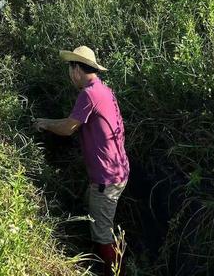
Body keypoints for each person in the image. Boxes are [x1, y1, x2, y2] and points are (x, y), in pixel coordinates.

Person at [33, 46, 130, 276]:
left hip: (106, 177)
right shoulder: (103, 90)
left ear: (77, 69)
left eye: (70, 68)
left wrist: (44, 123)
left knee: (102, 232)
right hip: (118, 170)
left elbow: (68, 128)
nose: (69, 74)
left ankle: (114, 271)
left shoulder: (89, 94)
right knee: (96, 212)